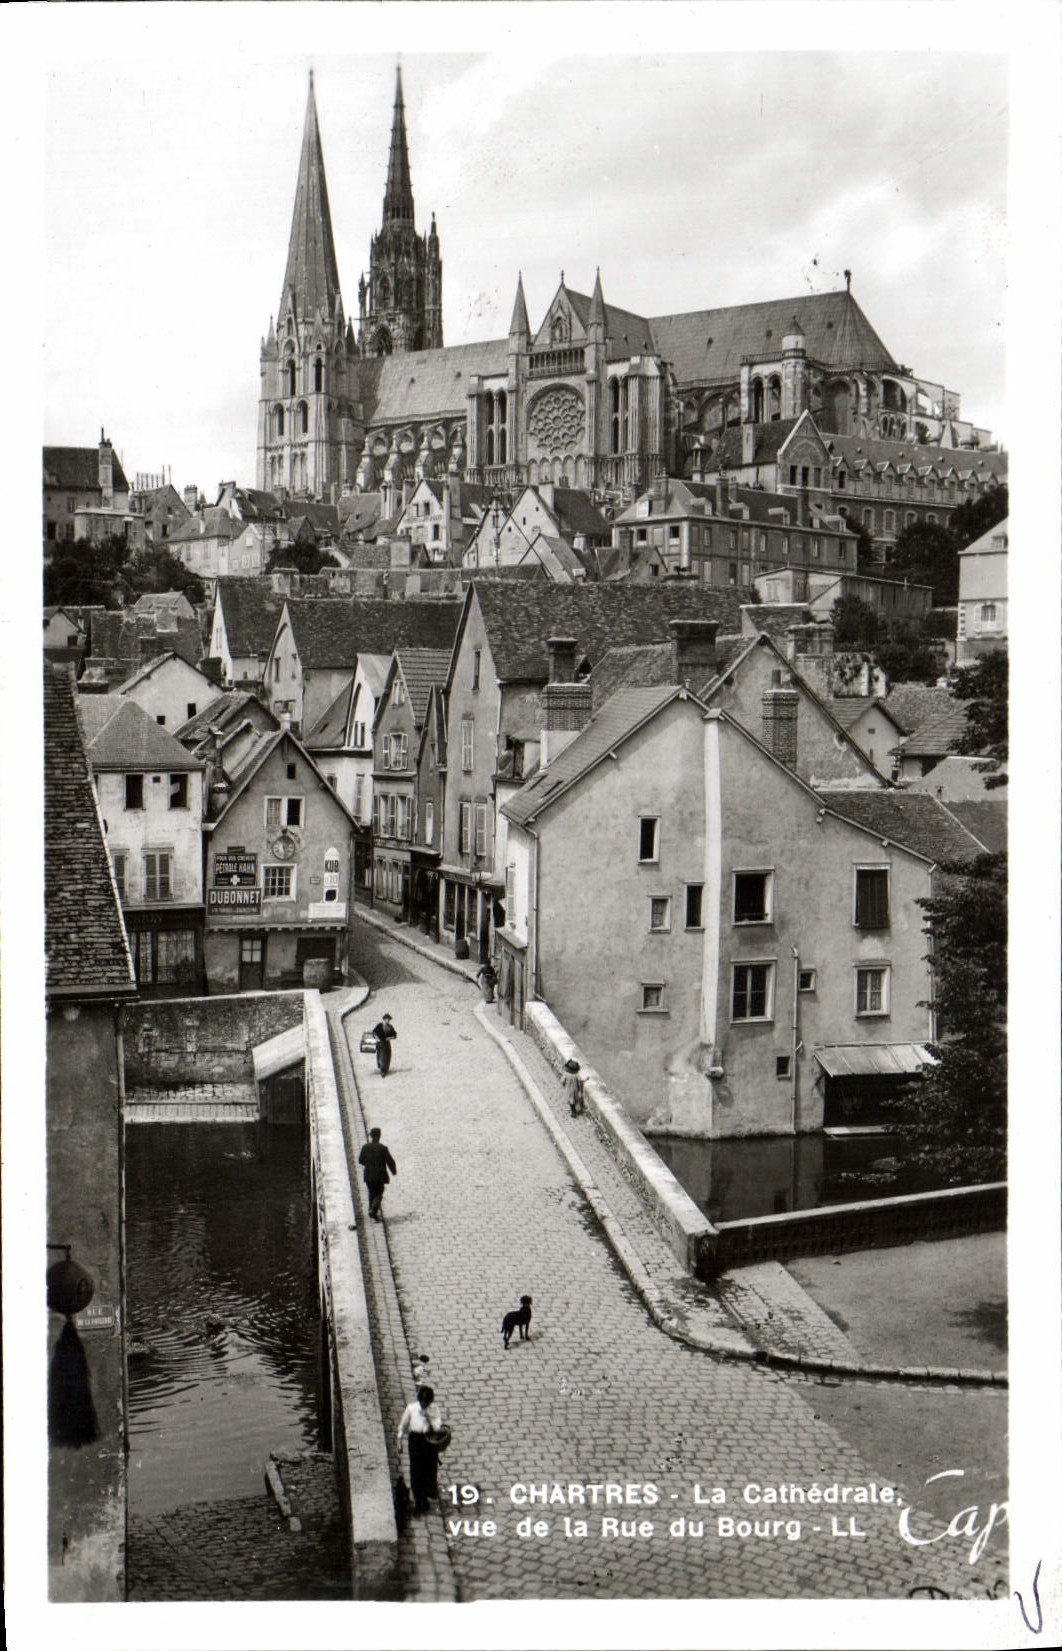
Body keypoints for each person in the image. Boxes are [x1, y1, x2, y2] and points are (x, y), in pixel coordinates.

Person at [397, 1384, 444, 1514]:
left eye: (426, 1402)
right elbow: (403, 1426)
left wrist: (428, 1417)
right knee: (416, 1469)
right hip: (416, 1440)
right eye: (423, 1402)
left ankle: (429, 1490)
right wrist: (399, 1441)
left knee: (430, 1467)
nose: (424, 1404)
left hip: (428, 1440)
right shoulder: (411, 1409)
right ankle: (419, 1499)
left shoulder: (433, 1409)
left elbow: (438, 1427)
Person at [358, 1127, 397, 1220]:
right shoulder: (383, 1148)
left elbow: (360, 1160)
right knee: (379, 1193)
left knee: (371, 1192)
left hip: (368, 1175)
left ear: (371, 1136)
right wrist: (393, 1171)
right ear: (379, 1136)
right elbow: (390, 1161)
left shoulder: (365, 1147)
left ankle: (371, 1211)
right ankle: (373, 1209)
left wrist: (368, 1164)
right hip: (380, 1176)